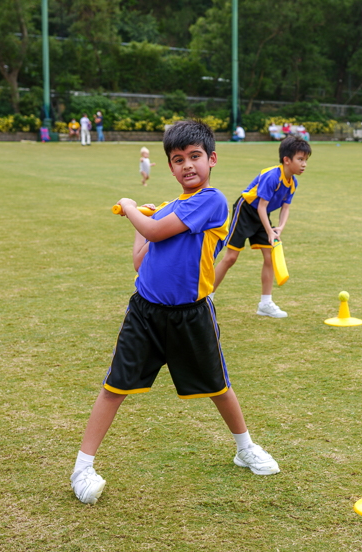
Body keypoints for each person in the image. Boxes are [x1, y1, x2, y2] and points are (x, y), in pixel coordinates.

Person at [70, 120, 280, 506]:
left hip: (192, 315)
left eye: (195, 156)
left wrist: (131, 208)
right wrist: (145, 217)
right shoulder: (170, 209)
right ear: (170, 167)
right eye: (178, 159)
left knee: (218, 386)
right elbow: (140, 259)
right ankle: (82, 468)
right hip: (145, 313)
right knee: (115, 386)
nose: (187, 165)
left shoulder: (212, 200)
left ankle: (245, 448)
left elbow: (154, 232)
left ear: (211, 159)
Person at [213, 136, 311, 318]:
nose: (304, 164)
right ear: (286, 160)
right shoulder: (272, 176)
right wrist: (269, 231)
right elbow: (261, 206)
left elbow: (285, 208)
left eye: (306, 160)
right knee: (231, 257)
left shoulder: (293, 183)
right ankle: (207, 296)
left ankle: (265, 304)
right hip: (246, 210)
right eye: (300, 159)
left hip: (262, 216)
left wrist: (279, 228)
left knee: (270, 256)